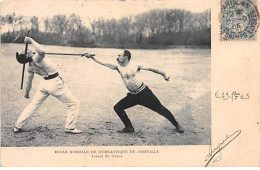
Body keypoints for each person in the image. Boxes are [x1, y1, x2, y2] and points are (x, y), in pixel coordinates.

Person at [83, 50, 184, 133]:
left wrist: (164, 74)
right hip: (132, 96)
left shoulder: (135, 65)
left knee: (160, 109)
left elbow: (151, 68)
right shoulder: (118, 66)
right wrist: (92, 57)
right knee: (118, 107)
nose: (117, 57)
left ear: (126, 57)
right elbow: (104, 63)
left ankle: (176, 124)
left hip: (144, 93)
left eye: (119, 56)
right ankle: (129, 127)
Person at [14, 37, 81, 134]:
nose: (27, 49)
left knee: (33, 105)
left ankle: (18, 126)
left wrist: (27, 93)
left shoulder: (30, 67)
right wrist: (31, 40)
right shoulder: (36, 57)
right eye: (25, 50)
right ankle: (70, 127)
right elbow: (42, 51)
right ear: (26, 55)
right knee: (74, 104)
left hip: (44, 84)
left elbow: (29, 82)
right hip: (55, 83)